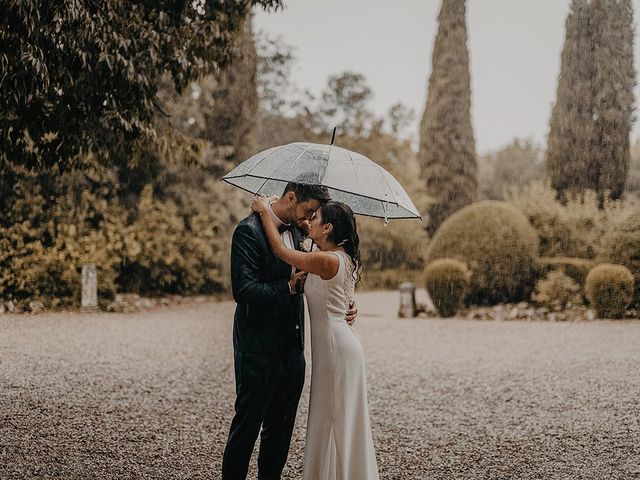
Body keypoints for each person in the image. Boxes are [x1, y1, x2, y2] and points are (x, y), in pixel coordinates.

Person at [221, 182, 357, 480]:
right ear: (292, 197)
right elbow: (244, 291)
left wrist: (346, 303)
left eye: (314, 215)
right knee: (245, 431)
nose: (309, 219)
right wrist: (287, 286)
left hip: (293, 351)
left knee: (280, 434)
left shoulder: (301, 233)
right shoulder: (249, 231)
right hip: (258, 348)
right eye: (308, 210)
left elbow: (328, 272)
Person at [250, 196, 379, 480]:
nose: (310, 221)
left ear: (329, 228)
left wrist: (262, 213)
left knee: (334, 419)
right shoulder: (338, 257)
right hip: (339, 346)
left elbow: (279, 250)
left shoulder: (325, 260)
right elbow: (339, 298)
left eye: (316, 218)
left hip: (336, 350)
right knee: (335, 419)